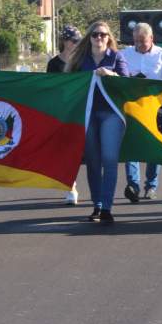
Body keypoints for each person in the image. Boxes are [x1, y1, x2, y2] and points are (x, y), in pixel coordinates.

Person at [66, 20, 128, 224]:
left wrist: (111, 74)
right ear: (89, 38)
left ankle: (107, 207)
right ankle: (97, 205)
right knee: (92, 161)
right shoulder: (81, 59)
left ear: (109, 37)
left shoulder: (117, 57)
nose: (99, 38)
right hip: (88, 114)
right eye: (95, 35)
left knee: (110, 159)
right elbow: (68, 83)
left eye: (103, 34)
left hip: (111, 114)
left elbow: (127, 84)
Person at [120, 22, 162, 202]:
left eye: (142, 41)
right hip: (132, 107)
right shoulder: (124, 54)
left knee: (153, 147)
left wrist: (149, 83)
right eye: (135, 41)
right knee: (132, 148)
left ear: (151, 38)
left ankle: (151, 185)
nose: (138, 45)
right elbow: (118, 77)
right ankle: (133, 185)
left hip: (155, 108)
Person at [47, 25, 82, 204]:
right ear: (65, 42)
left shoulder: (82, 62)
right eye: (73, 40)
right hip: (60, 112)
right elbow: (49, 87)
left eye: (78, 41)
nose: (76, 44)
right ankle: (71, 187)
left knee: (79, 152)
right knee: (65, 151)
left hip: (79, 111)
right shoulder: (54, 63)